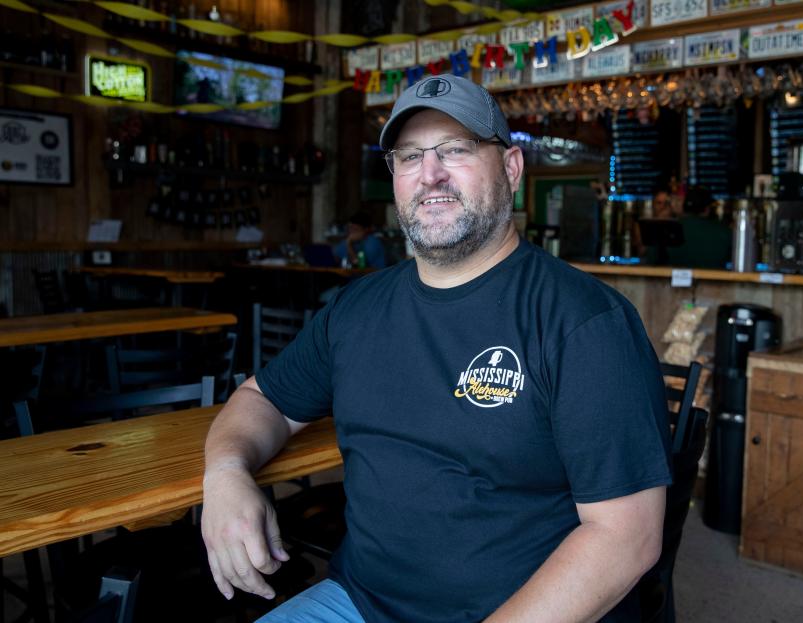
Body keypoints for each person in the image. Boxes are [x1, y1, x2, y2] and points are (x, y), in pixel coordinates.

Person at [201, 73, 671, 623]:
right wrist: (226, 474)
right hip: (359, 604)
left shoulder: (583, 321)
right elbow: (264, 399)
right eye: (409, 156)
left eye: (456, 150)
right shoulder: (356, 309)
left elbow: (626, 538)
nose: (431, 174)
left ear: (512, 169)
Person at [665, 185, 732, 269]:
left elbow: (651, 264)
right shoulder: (724, 232)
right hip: (712, 281)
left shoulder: (666, 229)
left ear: (684, 206)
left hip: (668, 281)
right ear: (707, 209)